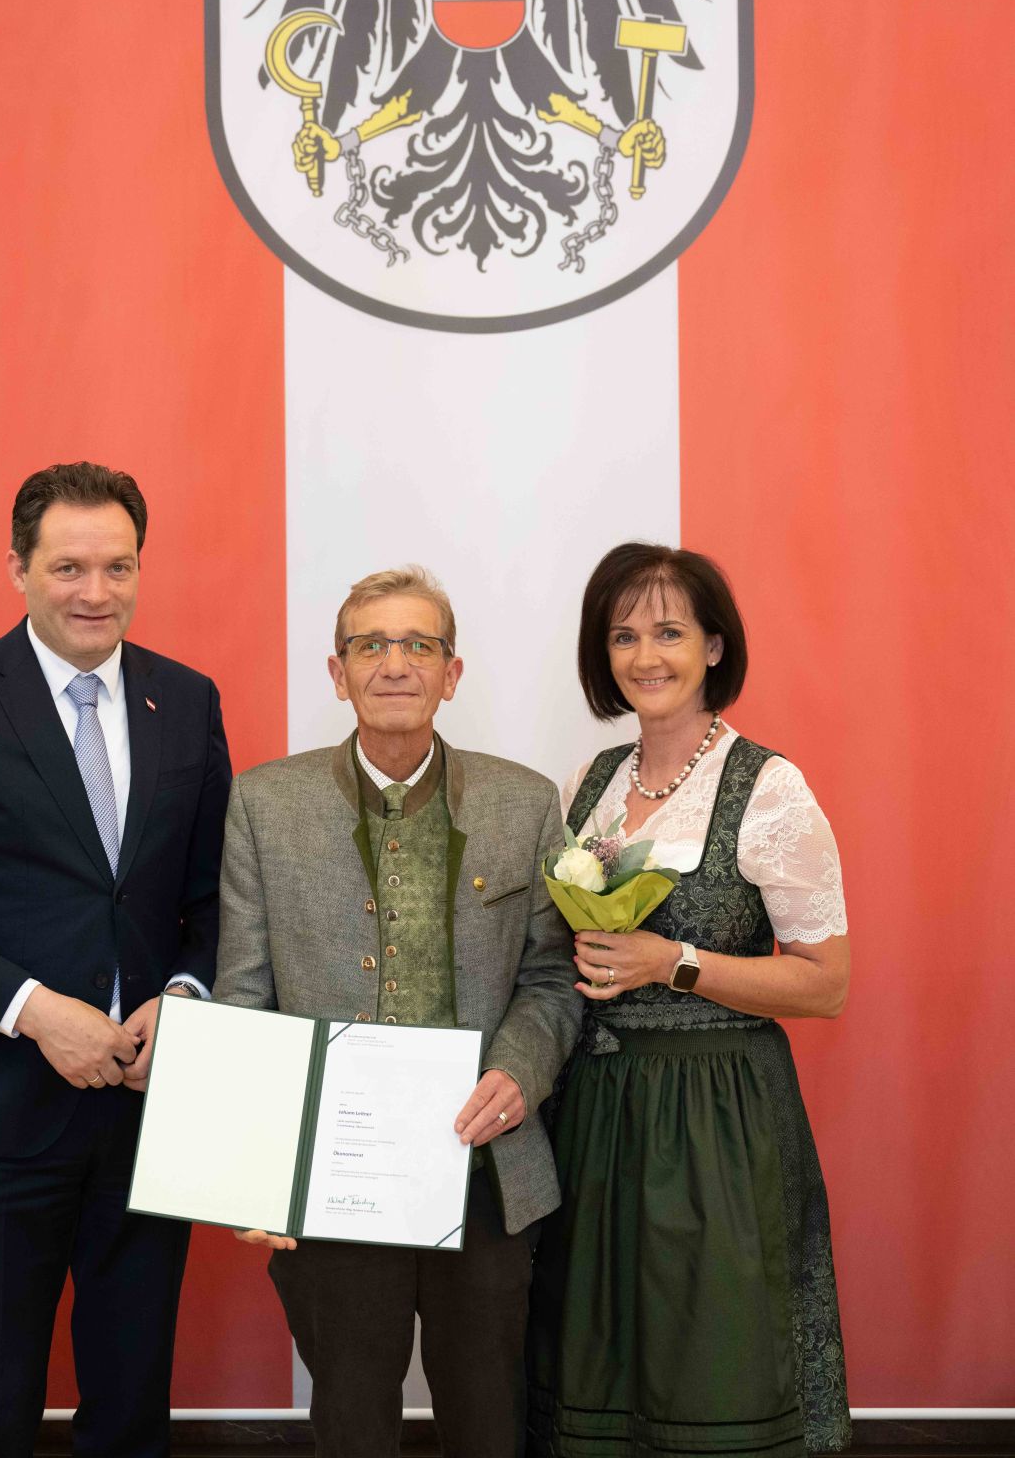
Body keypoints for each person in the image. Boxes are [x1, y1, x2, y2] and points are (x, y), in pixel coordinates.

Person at [0, 461, 231, 1458]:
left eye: (117, 566)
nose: (94, 591)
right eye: (68, 566)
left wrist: (185, 994)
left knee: (132, 1413)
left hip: (148, 1115)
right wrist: (35, 1010)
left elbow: (213, 901)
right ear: (18, 568)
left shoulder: (186, 700)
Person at [215, 565, 580, 1458]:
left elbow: (552, 976)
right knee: (350, 1422)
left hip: (485, 1166)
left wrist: (519, 1072)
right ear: (336, 673)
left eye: (419, 644)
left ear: (451, 674)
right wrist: (254, 1173)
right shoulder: (264, 803)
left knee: (490, 1422)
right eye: (369, 644)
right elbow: (245, 994)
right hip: (332, 1182)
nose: (394, 663)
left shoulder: (525, 801)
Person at [526, 543, 851, 1458]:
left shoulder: (767, 788)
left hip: (718, 1119)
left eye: (668, 633)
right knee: (597, 1359)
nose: (645, 656)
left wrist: (672, 961)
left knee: (715, 1357)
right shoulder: (587, 784)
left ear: (713, 647)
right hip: (596, 1112)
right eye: (623, 636)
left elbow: (825, 982)